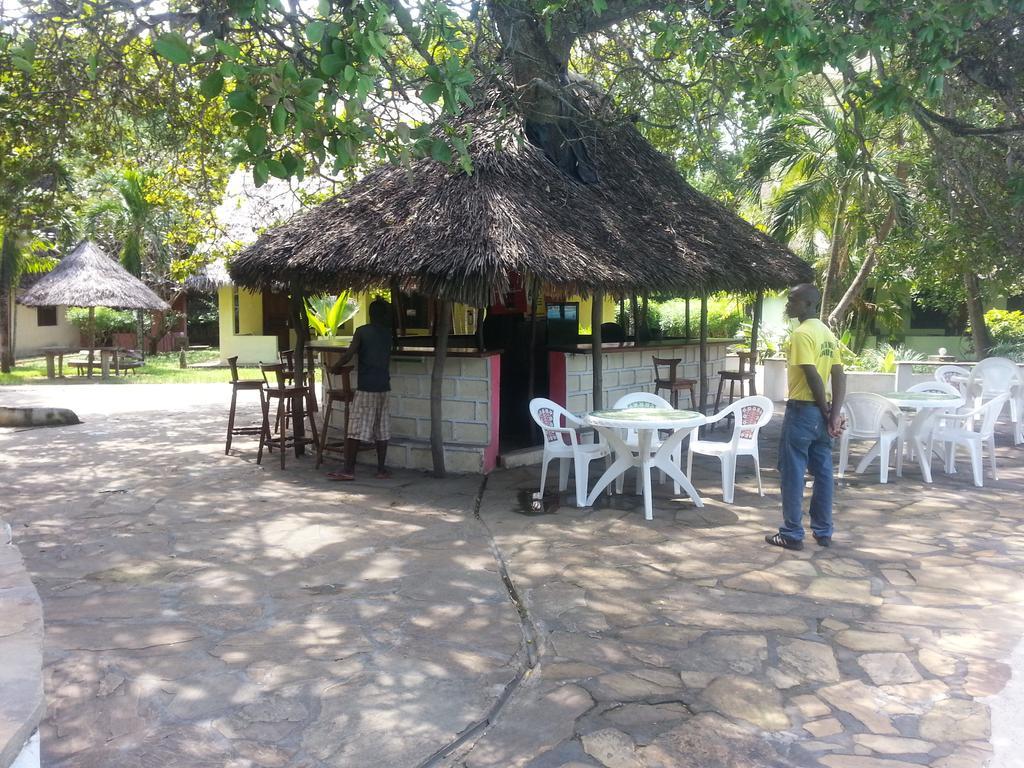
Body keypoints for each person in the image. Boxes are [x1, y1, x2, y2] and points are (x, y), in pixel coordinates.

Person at [766, 283, 845, 551]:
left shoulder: (801, 334)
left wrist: (825, 411)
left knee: (792, 472)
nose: (788, 304)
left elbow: (812, 375)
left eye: (793, 300)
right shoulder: (826, 333)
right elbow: (838, 374)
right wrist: (833, 415)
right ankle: (823, 531)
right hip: (821, 415)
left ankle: (791, 533)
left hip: (803, 411)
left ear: (809, 305)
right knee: (823, 473)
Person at [327, 298, 393, 481]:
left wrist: (335, 367)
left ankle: (348, 469)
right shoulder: (388, 334)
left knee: (355, 429)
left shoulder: (362, 332)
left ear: (370, 315)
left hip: (366, 387)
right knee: (382, 429)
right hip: (384, 386)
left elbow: (349, 354)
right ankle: (381, 469)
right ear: (384, 316)